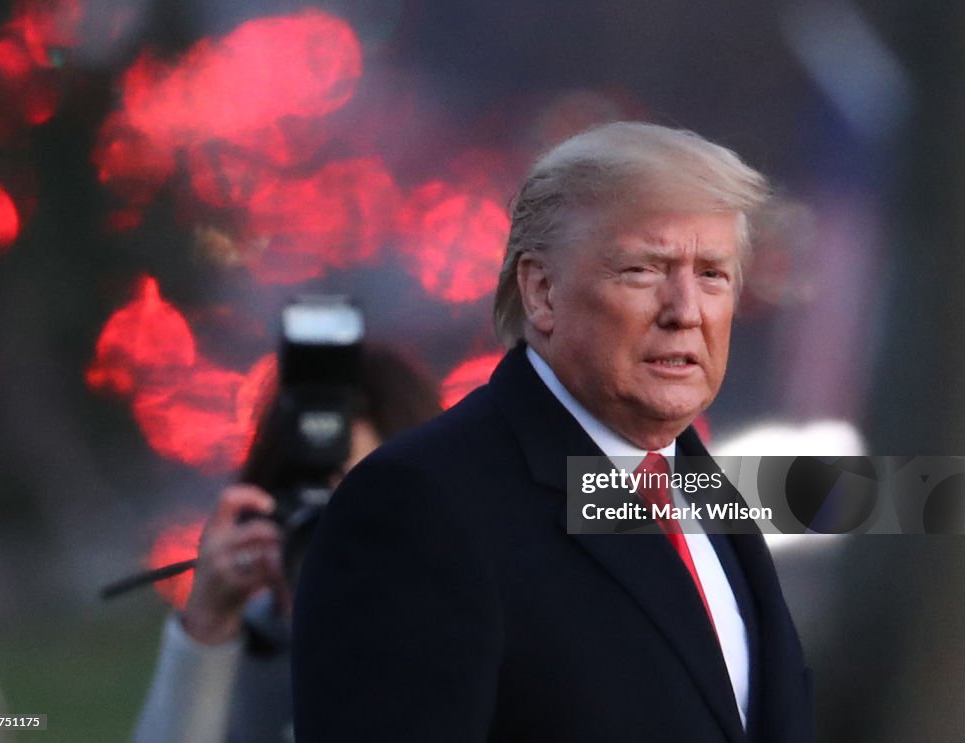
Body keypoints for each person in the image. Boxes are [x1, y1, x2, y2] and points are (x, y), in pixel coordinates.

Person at [292, 122, 813, 742]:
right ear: (541, 292)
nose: (685, 311)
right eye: (644, 269)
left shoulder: (706, 491)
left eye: (712, 275)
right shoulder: (420, 504)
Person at [133, 345, 442, 743]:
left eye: (362, 498)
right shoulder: (239, 658)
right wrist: (207, 631)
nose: (330, 531)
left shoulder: (478, 640)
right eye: (311, 503)